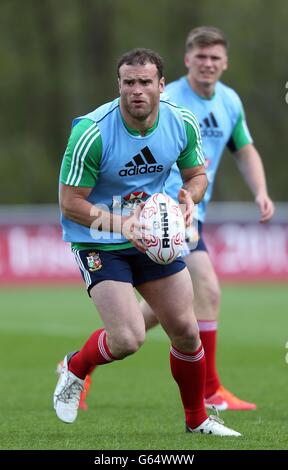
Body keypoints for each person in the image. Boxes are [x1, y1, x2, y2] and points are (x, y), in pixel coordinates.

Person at [71, 27, 275, 411]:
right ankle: (210, 390)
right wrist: (154, 213)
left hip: (187, 209)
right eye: (201, 57)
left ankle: (101, 358)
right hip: (159, 218)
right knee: (205, 291)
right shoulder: (167, 100)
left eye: (215, 58)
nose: (208, 64)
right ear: (187, 61)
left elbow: (242, 150)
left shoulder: (229, 101)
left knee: (170, 315)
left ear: (225, 62)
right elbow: (134, 169)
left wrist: (259, 191)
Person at [54, 47, 240, 436]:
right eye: (128, 82)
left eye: (144, 83)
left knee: (186, 331)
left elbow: (197, 176)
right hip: (99, 239)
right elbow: (70, 204)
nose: (136, 90)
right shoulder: (91, 132)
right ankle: (76, 367)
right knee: (127, 339)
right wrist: (122, 225)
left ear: (160, 85)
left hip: (154, 236)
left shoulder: (181, 122)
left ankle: (197, 421)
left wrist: (191, 195)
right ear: (119, 84)